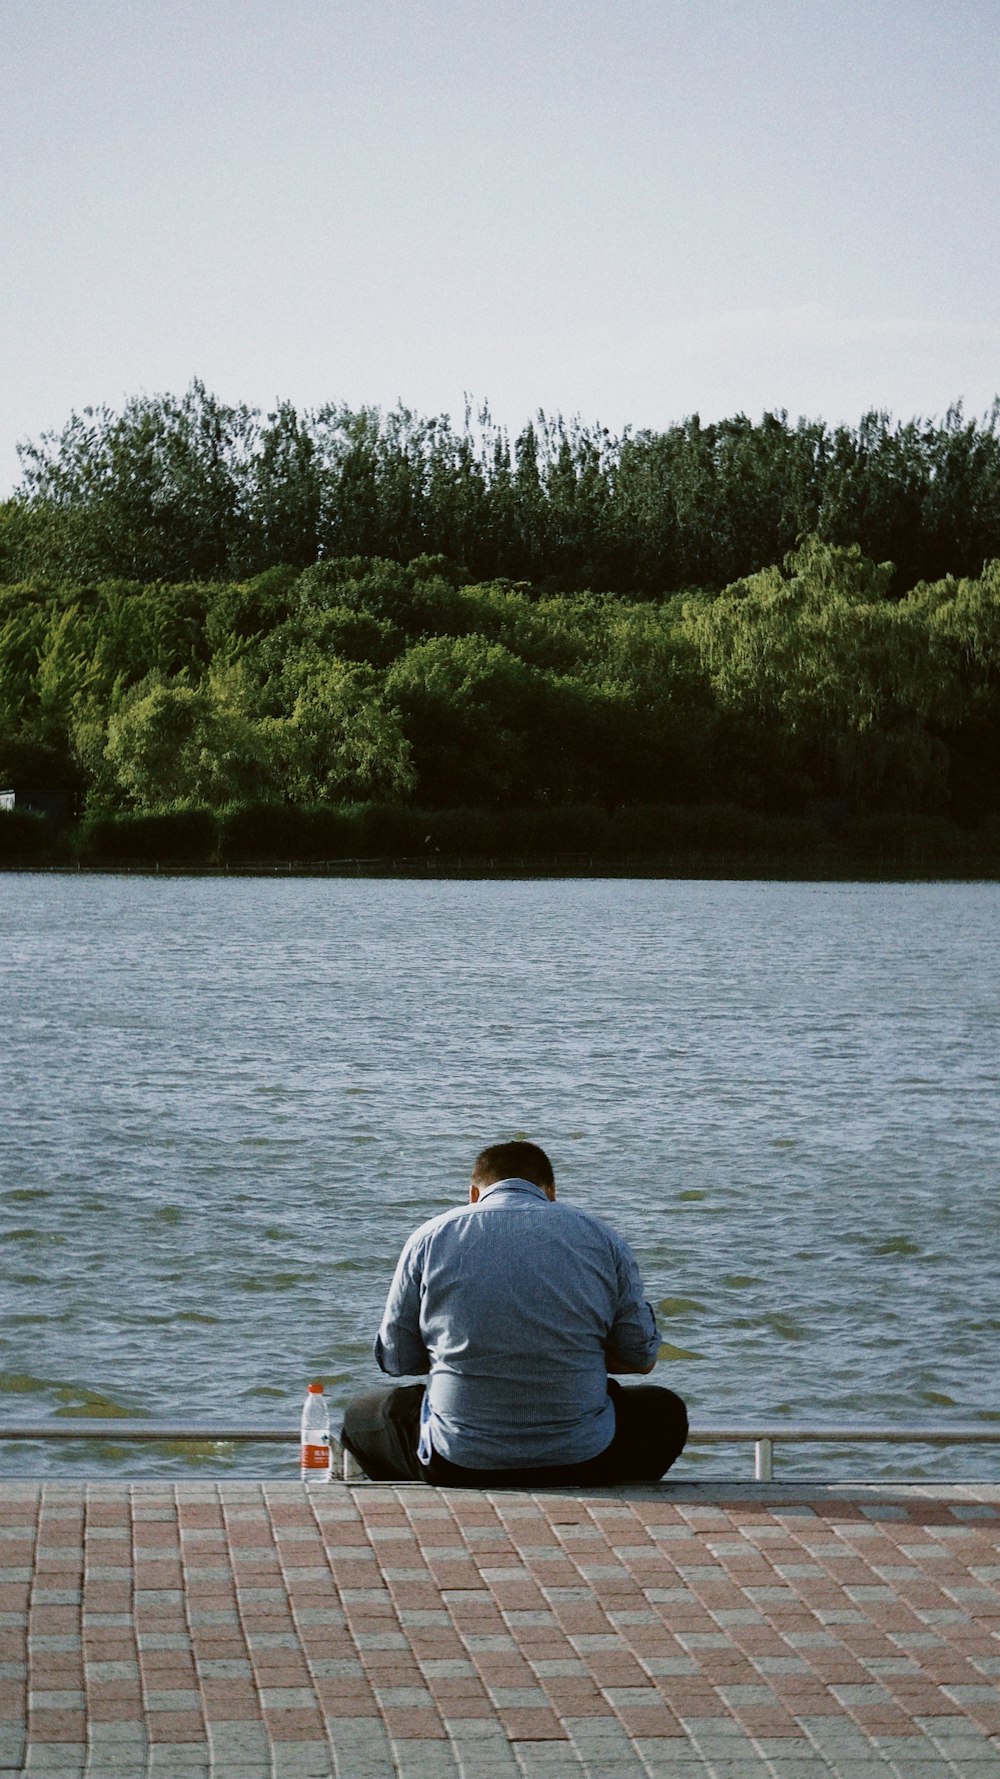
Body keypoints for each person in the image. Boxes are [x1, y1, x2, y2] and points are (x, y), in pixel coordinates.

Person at [340, 1139, 688, 1486]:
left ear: (473, 1194)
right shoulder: (602, 1237)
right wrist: (568, 1353)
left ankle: (420, 1502)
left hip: (457, 1462)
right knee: (665, 1410)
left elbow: (396, 1360)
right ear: (551, 1191)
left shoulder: (429, 1237)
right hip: (586, 1459)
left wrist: (466, 1353)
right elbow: (641, 1357)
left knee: (361, 1413)